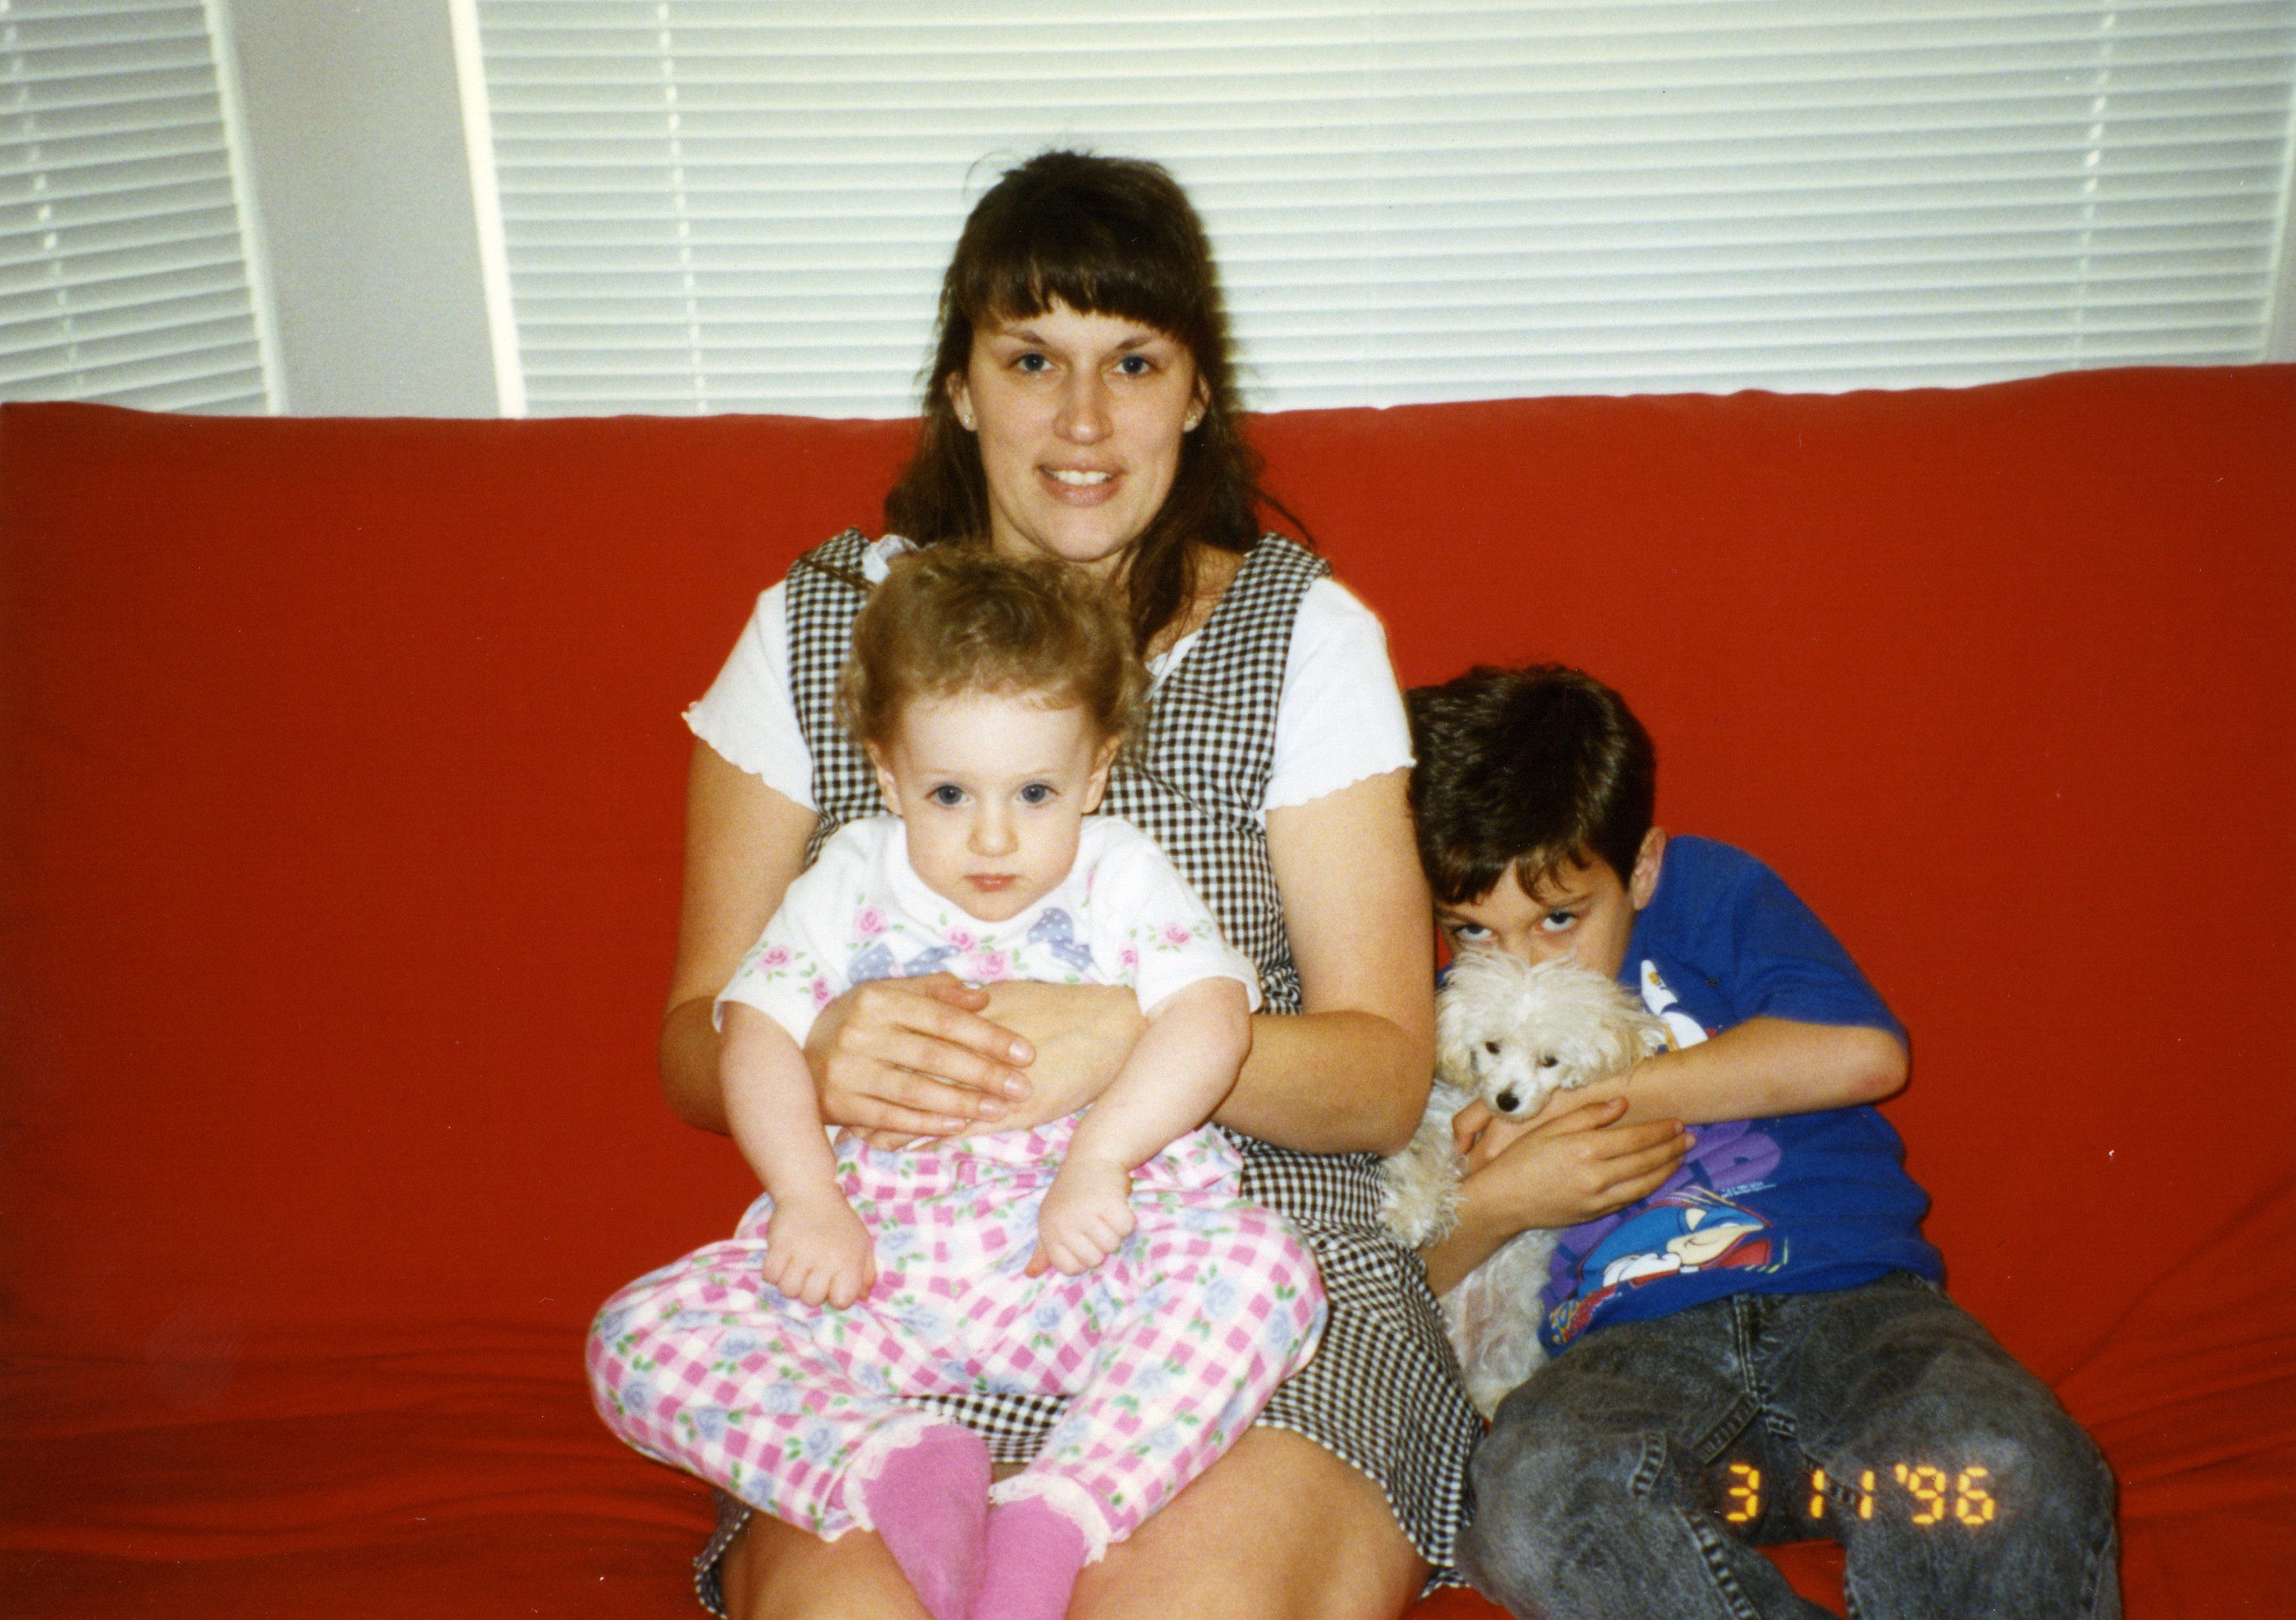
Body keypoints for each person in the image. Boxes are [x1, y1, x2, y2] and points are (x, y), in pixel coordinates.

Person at [630, 149, 1478, 1619]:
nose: (1083, 421)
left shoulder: (1303, 634)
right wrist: (814, 1056)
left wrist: (1124, 1044)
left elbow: (1383, 1080)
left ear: (1196, 393)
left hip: (1230, 1271)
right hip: (899, 1279)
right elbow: (691, 1045)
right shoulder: (814, 625)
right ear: (961, 386)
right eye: (1032, 360)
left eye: (1133, 362)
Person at [589, 549, 1327, 1620]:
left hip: (1080, 1261)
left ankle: (1062, 1512)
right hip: (881, 1269)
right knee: (637, 1335)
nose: (993, 837)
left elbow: (1209, 1017)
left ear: (1096, 772)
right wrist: (809, 1199)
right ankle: (891, 1463)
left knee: (1265, 1271)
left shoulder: (1122, 870)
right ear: (889, 775)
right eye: (948, 794)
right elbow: (753, 1033)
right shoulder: (849, 875)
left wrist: (1100, 1160)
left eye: (1035, 793)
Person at [1404, 664, 2121, 1620]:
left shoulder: (1705, 895)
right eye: (1471, 931)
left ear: (1641, 870)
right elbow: (1397, 1266)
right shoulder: (1454, 1024)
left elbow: (1863, 1054)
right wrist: (1506, 1200)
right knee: (1529, 1507)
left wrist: (1582, 1100)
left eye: (1560, 919)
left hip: (1848, 1301)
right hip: (1623, 1353)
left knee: (2007, 1468)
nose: (1521, 961)